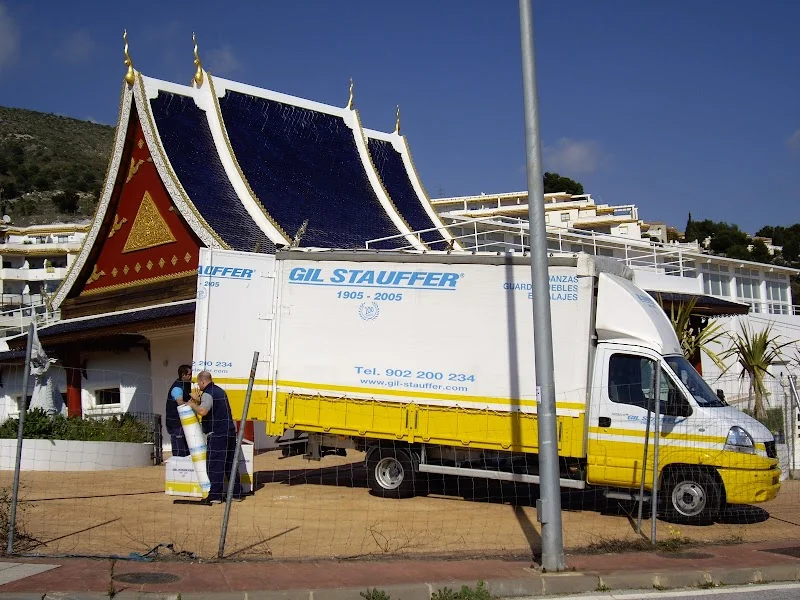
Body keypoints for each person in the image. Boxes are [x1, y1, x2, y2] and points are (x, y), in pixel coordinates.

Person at [187, 370, 244, 504]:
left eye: (198, 383)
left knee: (215, 465)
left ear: (202, 381)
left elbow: (203, 410)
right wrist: (198, 400)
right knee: (230, 464)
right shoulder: (220, 391)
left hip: (217, 434)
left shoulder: (208, 393)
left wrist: (192, 404)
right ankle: (236, 494)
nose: (198, 386)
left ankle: (215, 496)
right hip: (229, 432)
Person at [165, 365, 192, 457]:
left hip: (183, 421)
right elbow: (180, 402)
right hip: (175, 422)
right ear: (183, 375)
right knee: (179, 447)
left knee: (186, 445)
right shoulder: (177, 388)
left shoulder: (187, 384)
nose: (191, 376)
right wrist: (192, 404)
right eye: (189, 374)